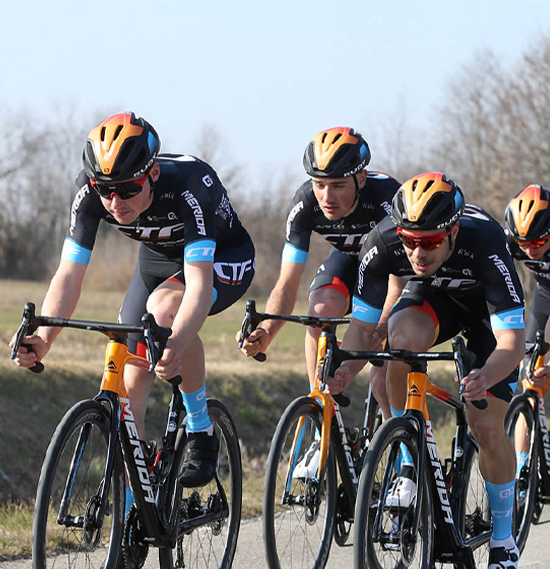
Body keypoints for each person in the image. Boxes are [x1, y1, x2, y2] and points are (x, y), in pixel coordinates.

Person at [11, 111, 255, 490]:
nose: (114, 200)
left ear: (152, 174)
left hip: (221, 258)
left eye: (127, 189)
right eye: (104, 189)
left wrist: (175, 342)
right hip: (156, 262)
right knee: (130, 381)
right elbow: (69, 275)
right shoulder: (90, 193)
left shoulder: (189, 187)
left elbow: (198, 286)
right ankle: (132, 514)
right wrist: (44, 339)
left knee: (163, 312)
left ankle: (200, 428)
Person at [327, 172, 525, 569]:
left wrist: (486, 377)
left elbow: (512, 342)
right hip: (430, 300)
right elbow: (362, 332)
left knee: (485, 424)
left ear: (453, 231)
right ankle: (408, 448)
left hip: (483, 316)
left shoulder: (487, 242)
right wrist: (345, 371)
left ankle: (504, 541)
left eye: (431, 242)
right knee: (399, 342)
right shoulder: (381, 244)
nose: (418, 251)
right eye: (410, 240)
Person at [238, 126, 402, 402]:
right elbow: (287, 285)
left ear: (361, 179)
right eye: (319, 184)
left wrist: (380, 329)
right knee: (319, 312)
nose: (327, 197)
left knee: (382, 376)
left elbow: (399, 284)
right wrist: (267, 329)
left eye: (338, 185)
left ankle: (396, 440)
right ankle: (320, 407)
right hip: (349, 261)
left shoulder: (388, 201)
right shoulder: (304, 205)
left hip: (390, 273)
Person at [503, 184, 550, 491]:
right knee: (531, 382)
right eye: (524, 242)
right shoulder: (511, 239)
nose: (530, 249)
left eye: (538, 241)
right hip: (545, 298)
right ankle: (522, 468)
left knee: (548, 358)